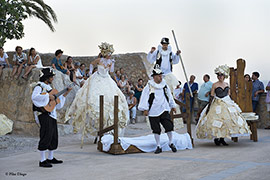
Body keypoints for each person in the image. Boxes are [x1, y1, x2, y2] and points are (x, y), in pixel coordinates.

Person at [66, 42, 129, 141]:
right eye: (109, 53)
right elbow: (92, 64)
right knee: (93, 98)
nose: (110, 55)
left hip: (106, 79)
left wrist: (112, 65)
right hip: (98, 77)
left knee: (111, 101)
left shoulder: (110, 61)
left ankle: (106, 130)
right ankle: (97, 129)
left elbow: (111, 71)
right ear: (105, 53)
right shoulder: (99, 60)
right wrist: (91, 72)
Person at [196, 65, 251, 146]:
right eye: (218, 75)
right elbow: (211, 96)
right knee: (216, 120)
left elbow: (228, 94)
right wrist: (209, 107)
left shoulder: (226, 84)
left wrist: (231, 104)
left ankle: (222, 139)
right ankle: (216, 138)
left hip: (225, 102)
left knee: (226, 121)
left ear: (224, 76)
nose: (219, 77)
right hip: (217, 102)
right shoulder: (214, 84)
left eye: (221, 75)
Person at [31, 68, 72, 168]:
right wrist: (48, 97)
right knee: (46, 135)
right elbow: (34, 97)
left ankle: (50, 157)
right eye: (51, 76)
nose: (52, 78)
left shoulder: (50, 88)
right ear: (46, 78)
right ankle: (42, 160)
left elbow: (57, 104)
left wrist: (66, 93)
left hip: (52, 114)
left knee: (53, 136)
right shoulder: (39, 86)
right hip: (44, 114)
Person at [138, 67, 177, 154]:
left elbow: (169, 95)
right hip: (153, 110)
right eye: (159, 76)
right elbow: (144, 97)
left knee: (169, 126)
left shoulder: (164, 85)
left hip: (164, 108)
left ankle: (171, 143)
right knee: (156, 129)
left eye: (161, 76)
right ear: (154, 77)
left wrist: (173, 105)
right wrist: (145, 108)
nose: (160, 77)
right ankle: (158, 146)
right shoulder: (149, 86)